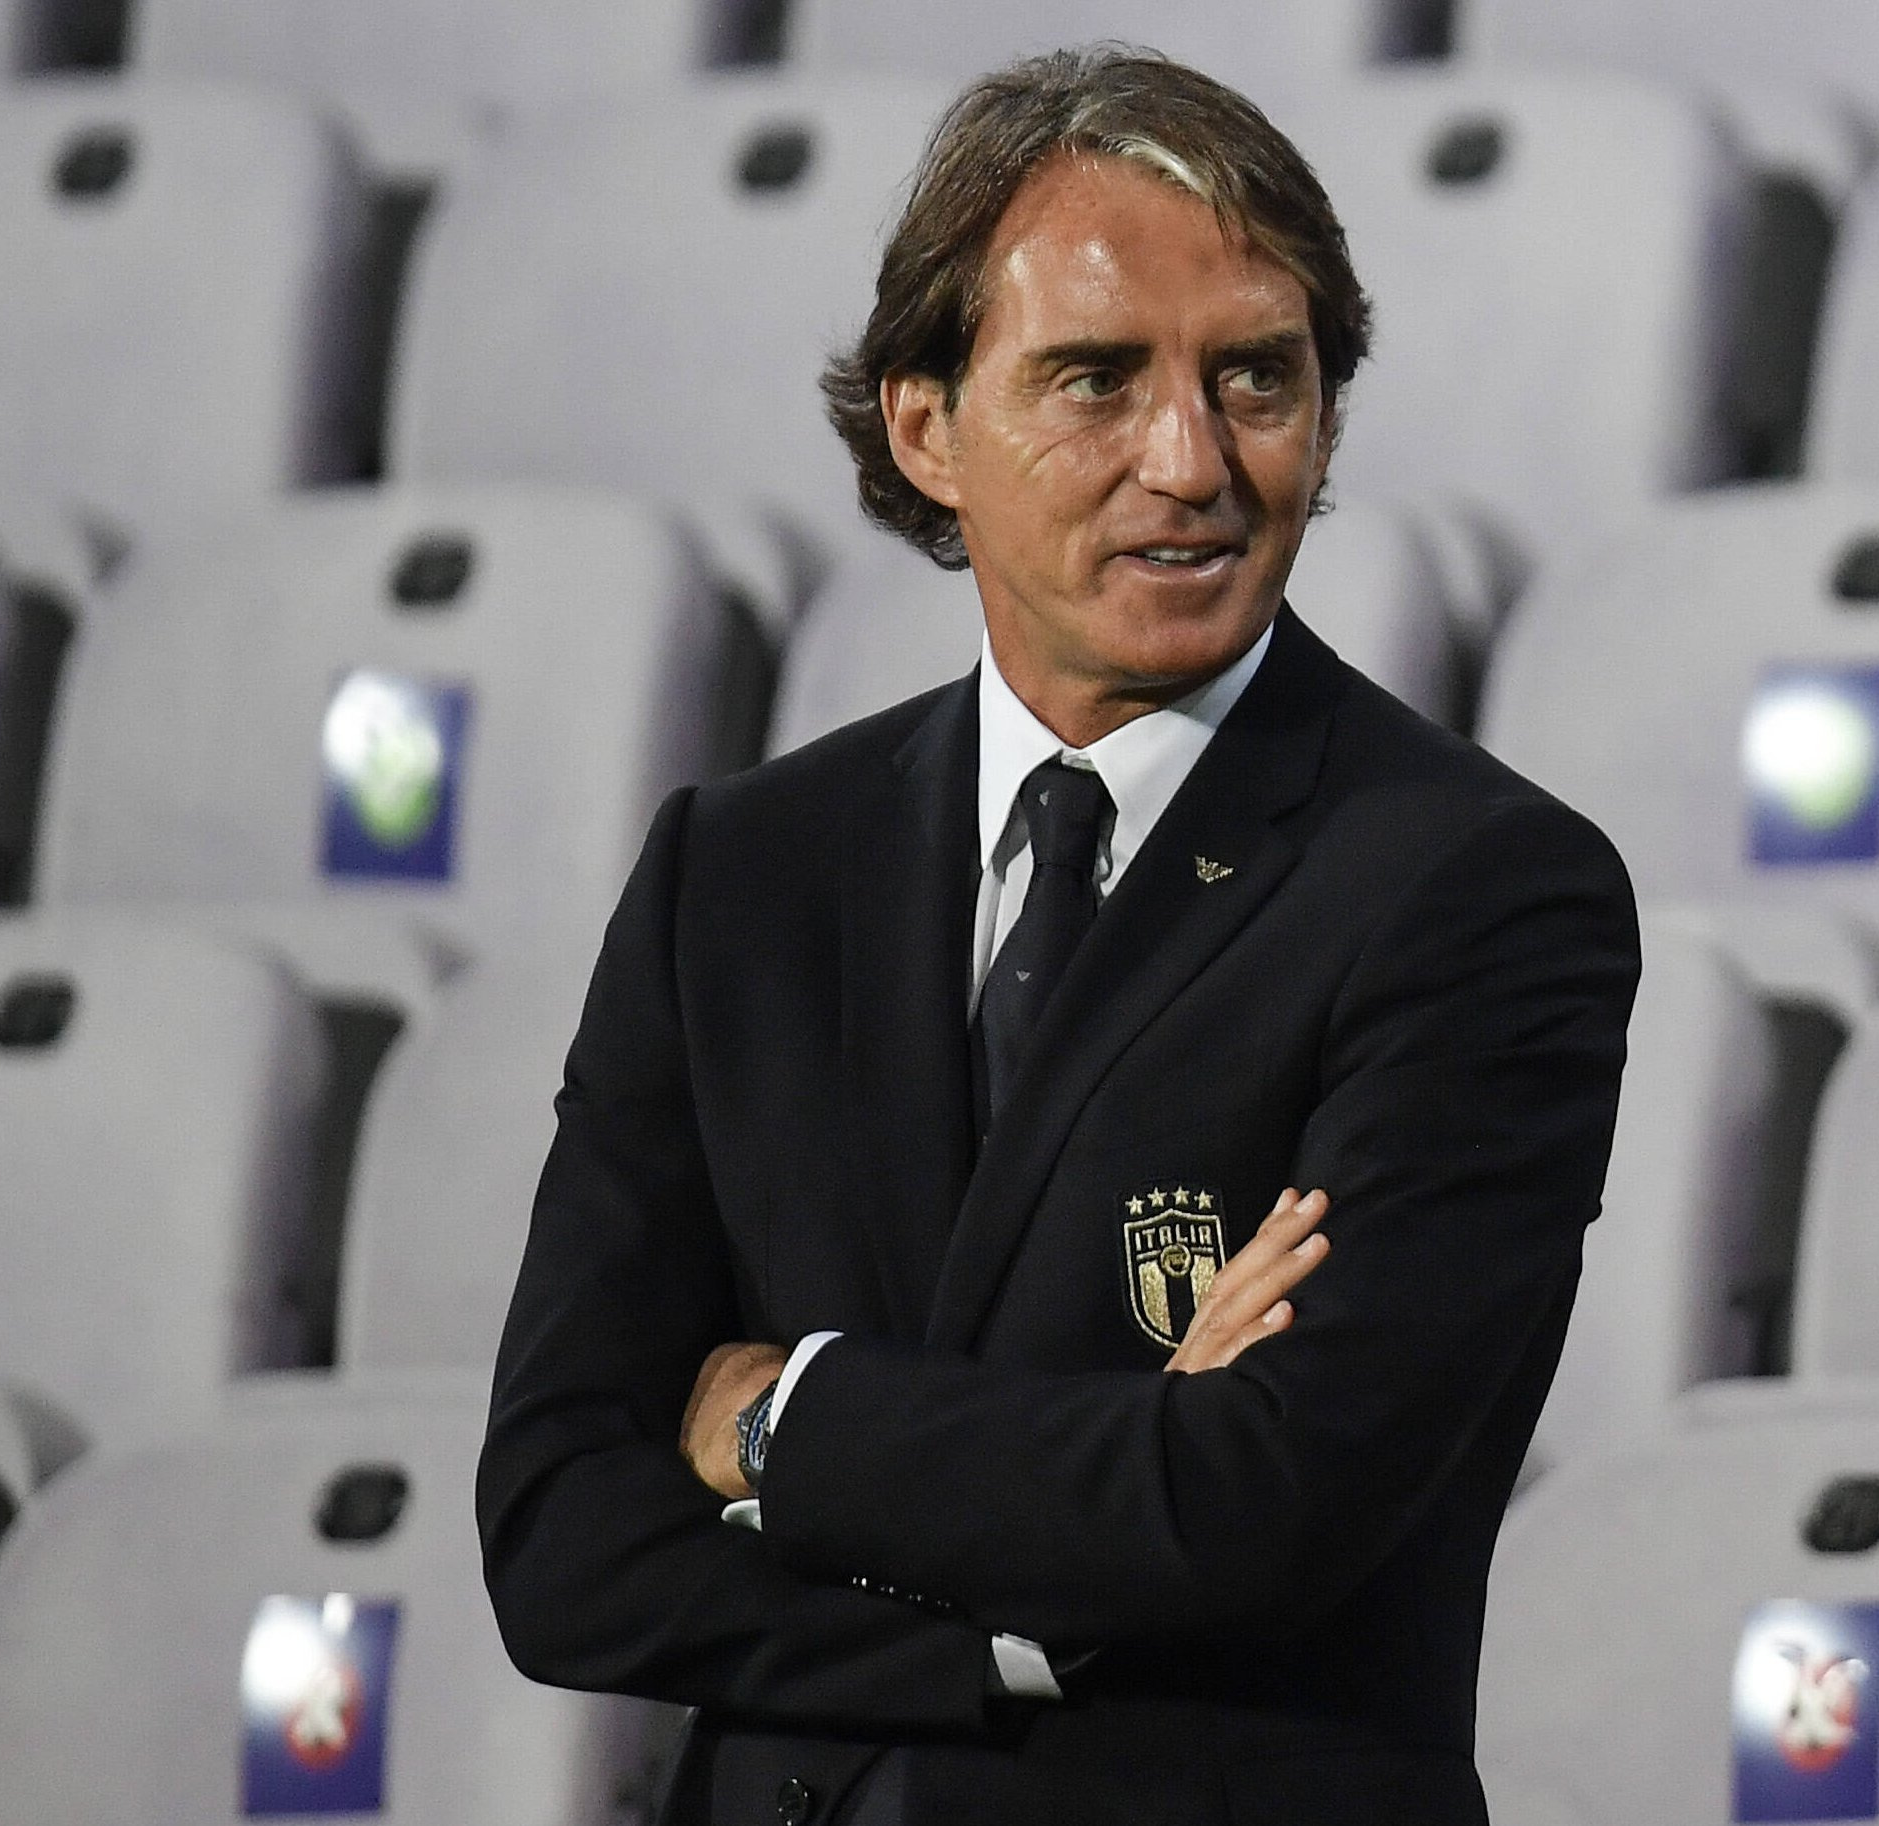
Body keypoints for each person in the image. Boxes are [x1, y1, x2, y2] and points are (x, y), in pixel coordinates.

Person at [479, 47, 1639, 1825]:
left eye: (1257, 377)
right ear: (925, 428)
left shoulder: (1481, 888)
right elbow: (562, 1534)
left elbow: (1258, 1505)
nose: (1192, 459)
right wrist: (1025, 1633)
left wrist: (784, 1422)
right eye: (1098, 378)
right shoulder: (743, 872)